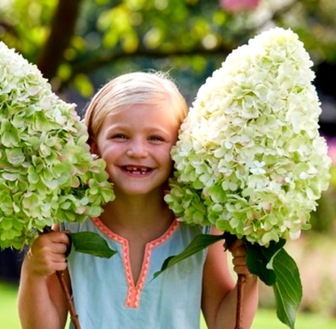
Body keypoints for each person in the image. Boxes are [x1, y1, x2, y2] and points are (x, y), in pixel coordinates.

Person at [17, 71, 259, 329]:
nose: (137, 151)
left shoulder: (199, 228)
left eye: (156, 138)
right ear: (93, 144)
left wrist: (251, 276)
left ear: (180, 147)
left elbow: (225, 324)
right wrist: (34, 270)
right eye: (120, 136)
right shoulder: (72, 224)